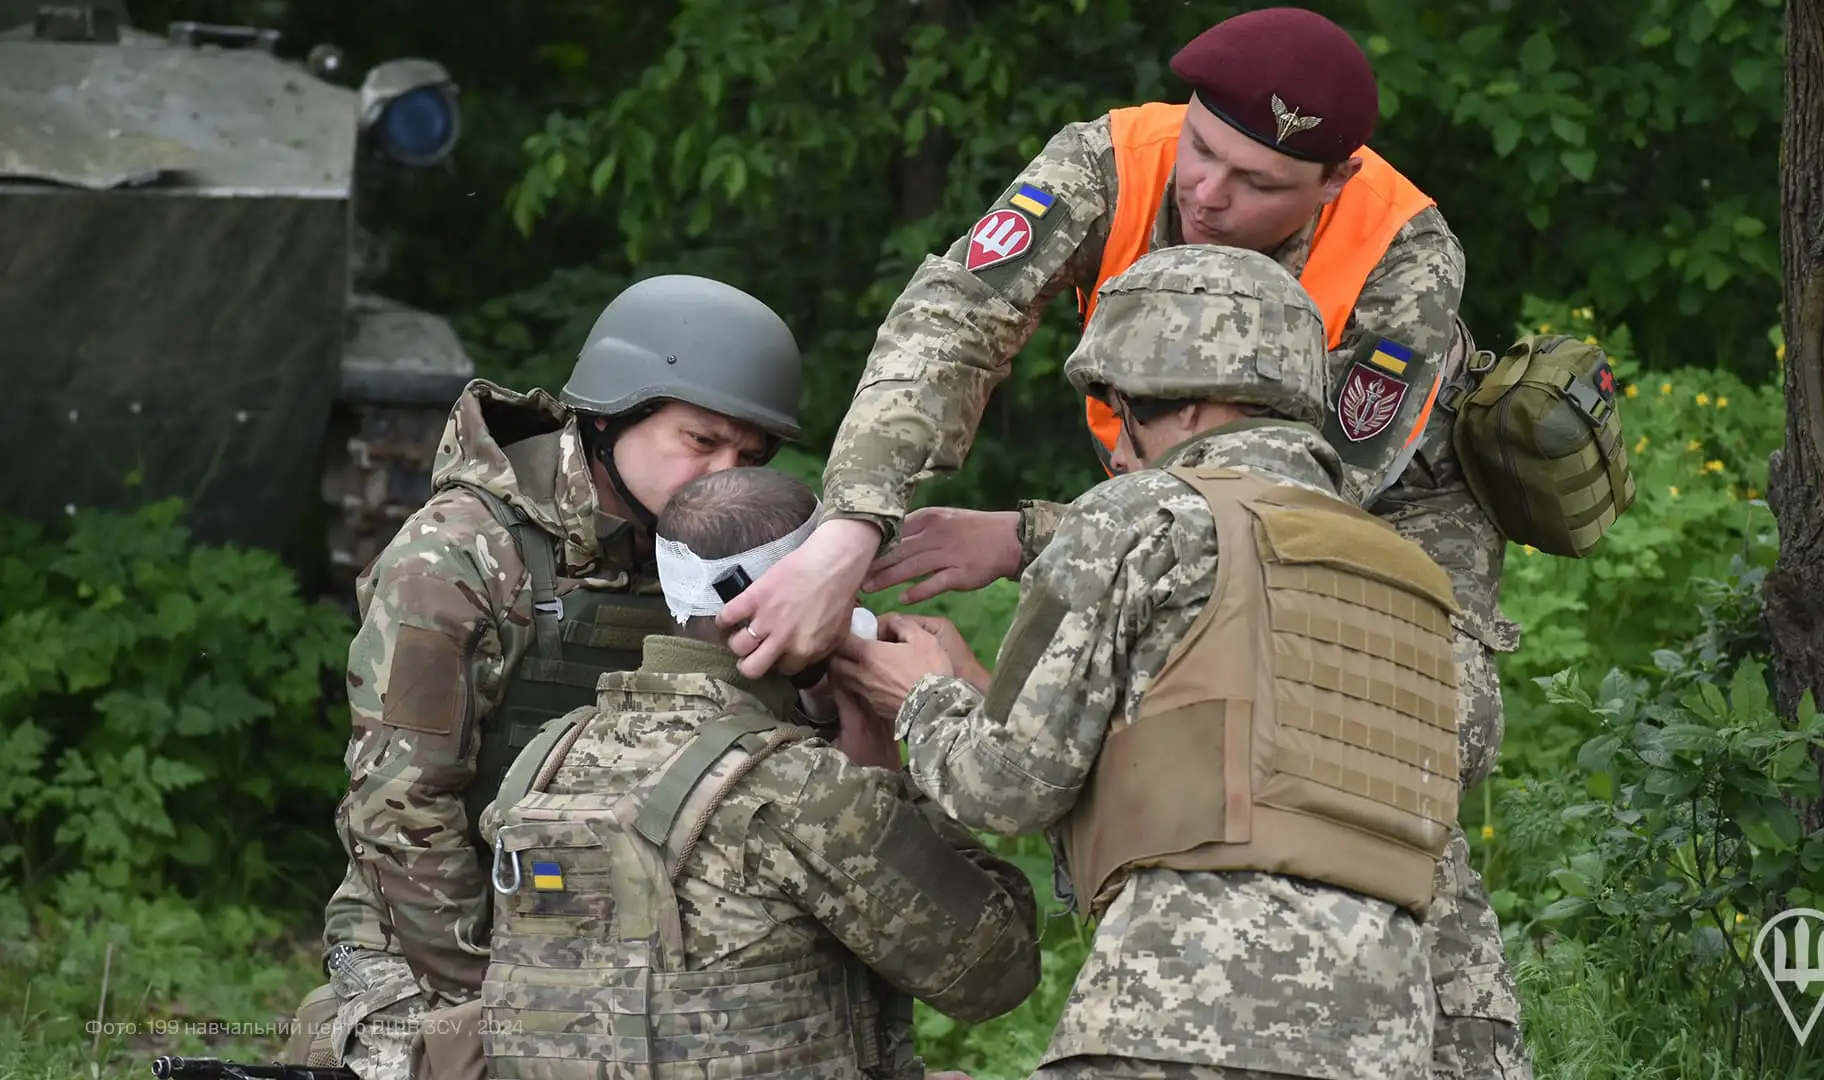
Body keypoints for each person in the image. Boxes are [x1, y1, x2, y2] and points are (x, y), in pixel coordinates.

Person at [720, 8, 1534, 1077]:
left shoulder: (1403, 256)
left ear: (1334, 181)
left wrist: (1028, 542)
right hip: (1180, 495)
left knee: (1358, 760)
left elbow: (1296, 511)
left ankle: (1452, 1033)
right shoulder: (1109, 159)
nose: (1206, 193)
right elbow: (953, 324)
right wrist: (849, 523)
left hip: (1383, 533)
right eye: (1201, 149)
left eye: (1254, 182)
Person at [833, 245, 1460, 1080]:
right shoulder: (1408, 573)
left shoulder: (1143, 515)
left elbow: (1002, 786)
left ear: (1194, 410)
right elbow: (1232, 783)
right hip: (1392, 1037)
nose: (1119, 451)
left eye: (1120, 410)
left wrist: (921, 698)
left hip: (1180, 1015)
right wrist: (981, 694)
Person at [285, 274, 815, 1080]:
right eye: (700, 443)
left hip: (640, 926)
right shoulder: (458, 557)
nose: (723, 475)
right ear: (609, 417)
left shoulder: (725, 560)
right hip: (444, 931)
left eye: (750, 454)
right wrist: (500, 998)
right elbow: (401, 809)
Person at [472, 465, 1041, 1080]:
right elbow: (996, 969)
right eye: (841, 591)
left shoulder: (544, 760)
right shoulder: (802, 791)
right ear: (796, 603)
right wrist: (892, 765)